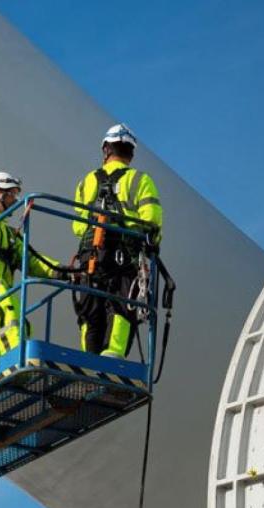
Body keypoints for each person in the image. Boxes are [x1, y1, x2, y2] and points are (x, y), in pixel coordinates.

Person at [72, 124, 163, 358]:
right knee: (122, 306)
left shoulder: (86, 182)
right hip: (125, 258)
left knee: (90, 309)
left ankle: (88, 359)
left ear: (105, 149)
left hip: (90, 257)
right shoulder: (141, 180)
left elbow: (78, 227)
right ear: (131, 153)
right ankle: (113, 357)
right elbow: (152, 223)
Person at [0, 171, 62, 363]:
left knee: (19, 318)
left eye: (15, 194)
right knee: (4, 312)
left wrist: (61, 270)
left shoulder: (9, 235)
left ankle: (6, 358)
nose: (14, 199)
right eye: (10, 193)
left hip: (1, 291)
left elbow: (32, 261)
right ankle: (12, 359)